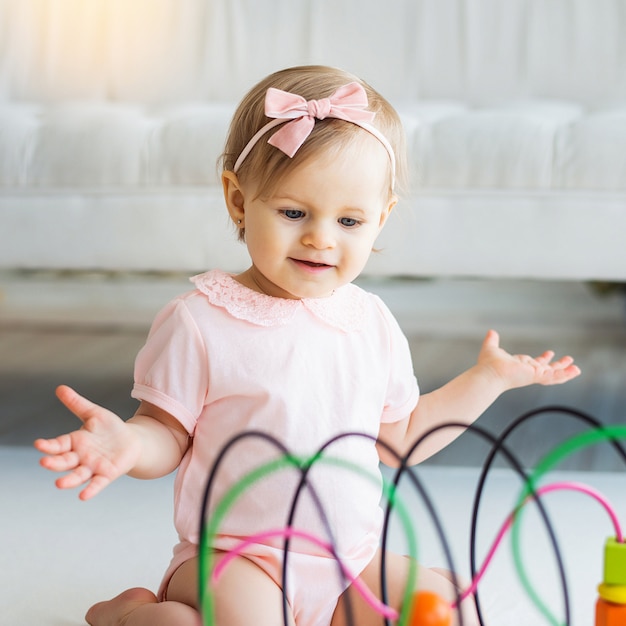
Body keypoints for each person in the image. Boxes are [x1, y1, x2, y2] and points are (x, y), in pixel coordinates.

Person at [34, 65, 581, 626]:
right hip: (235, 559)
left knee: (440, 611)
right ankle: (127, 616)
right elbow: (167, 435)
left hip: (349, 559)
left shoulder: (370, 321)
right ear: (239, 201)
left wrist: (486, 378)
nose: (322, 237)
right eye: (294, 213)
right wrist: (128, 442)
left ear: (381, 220)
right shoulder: (200, 321)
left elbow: (402, 438)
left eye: (350, 220)